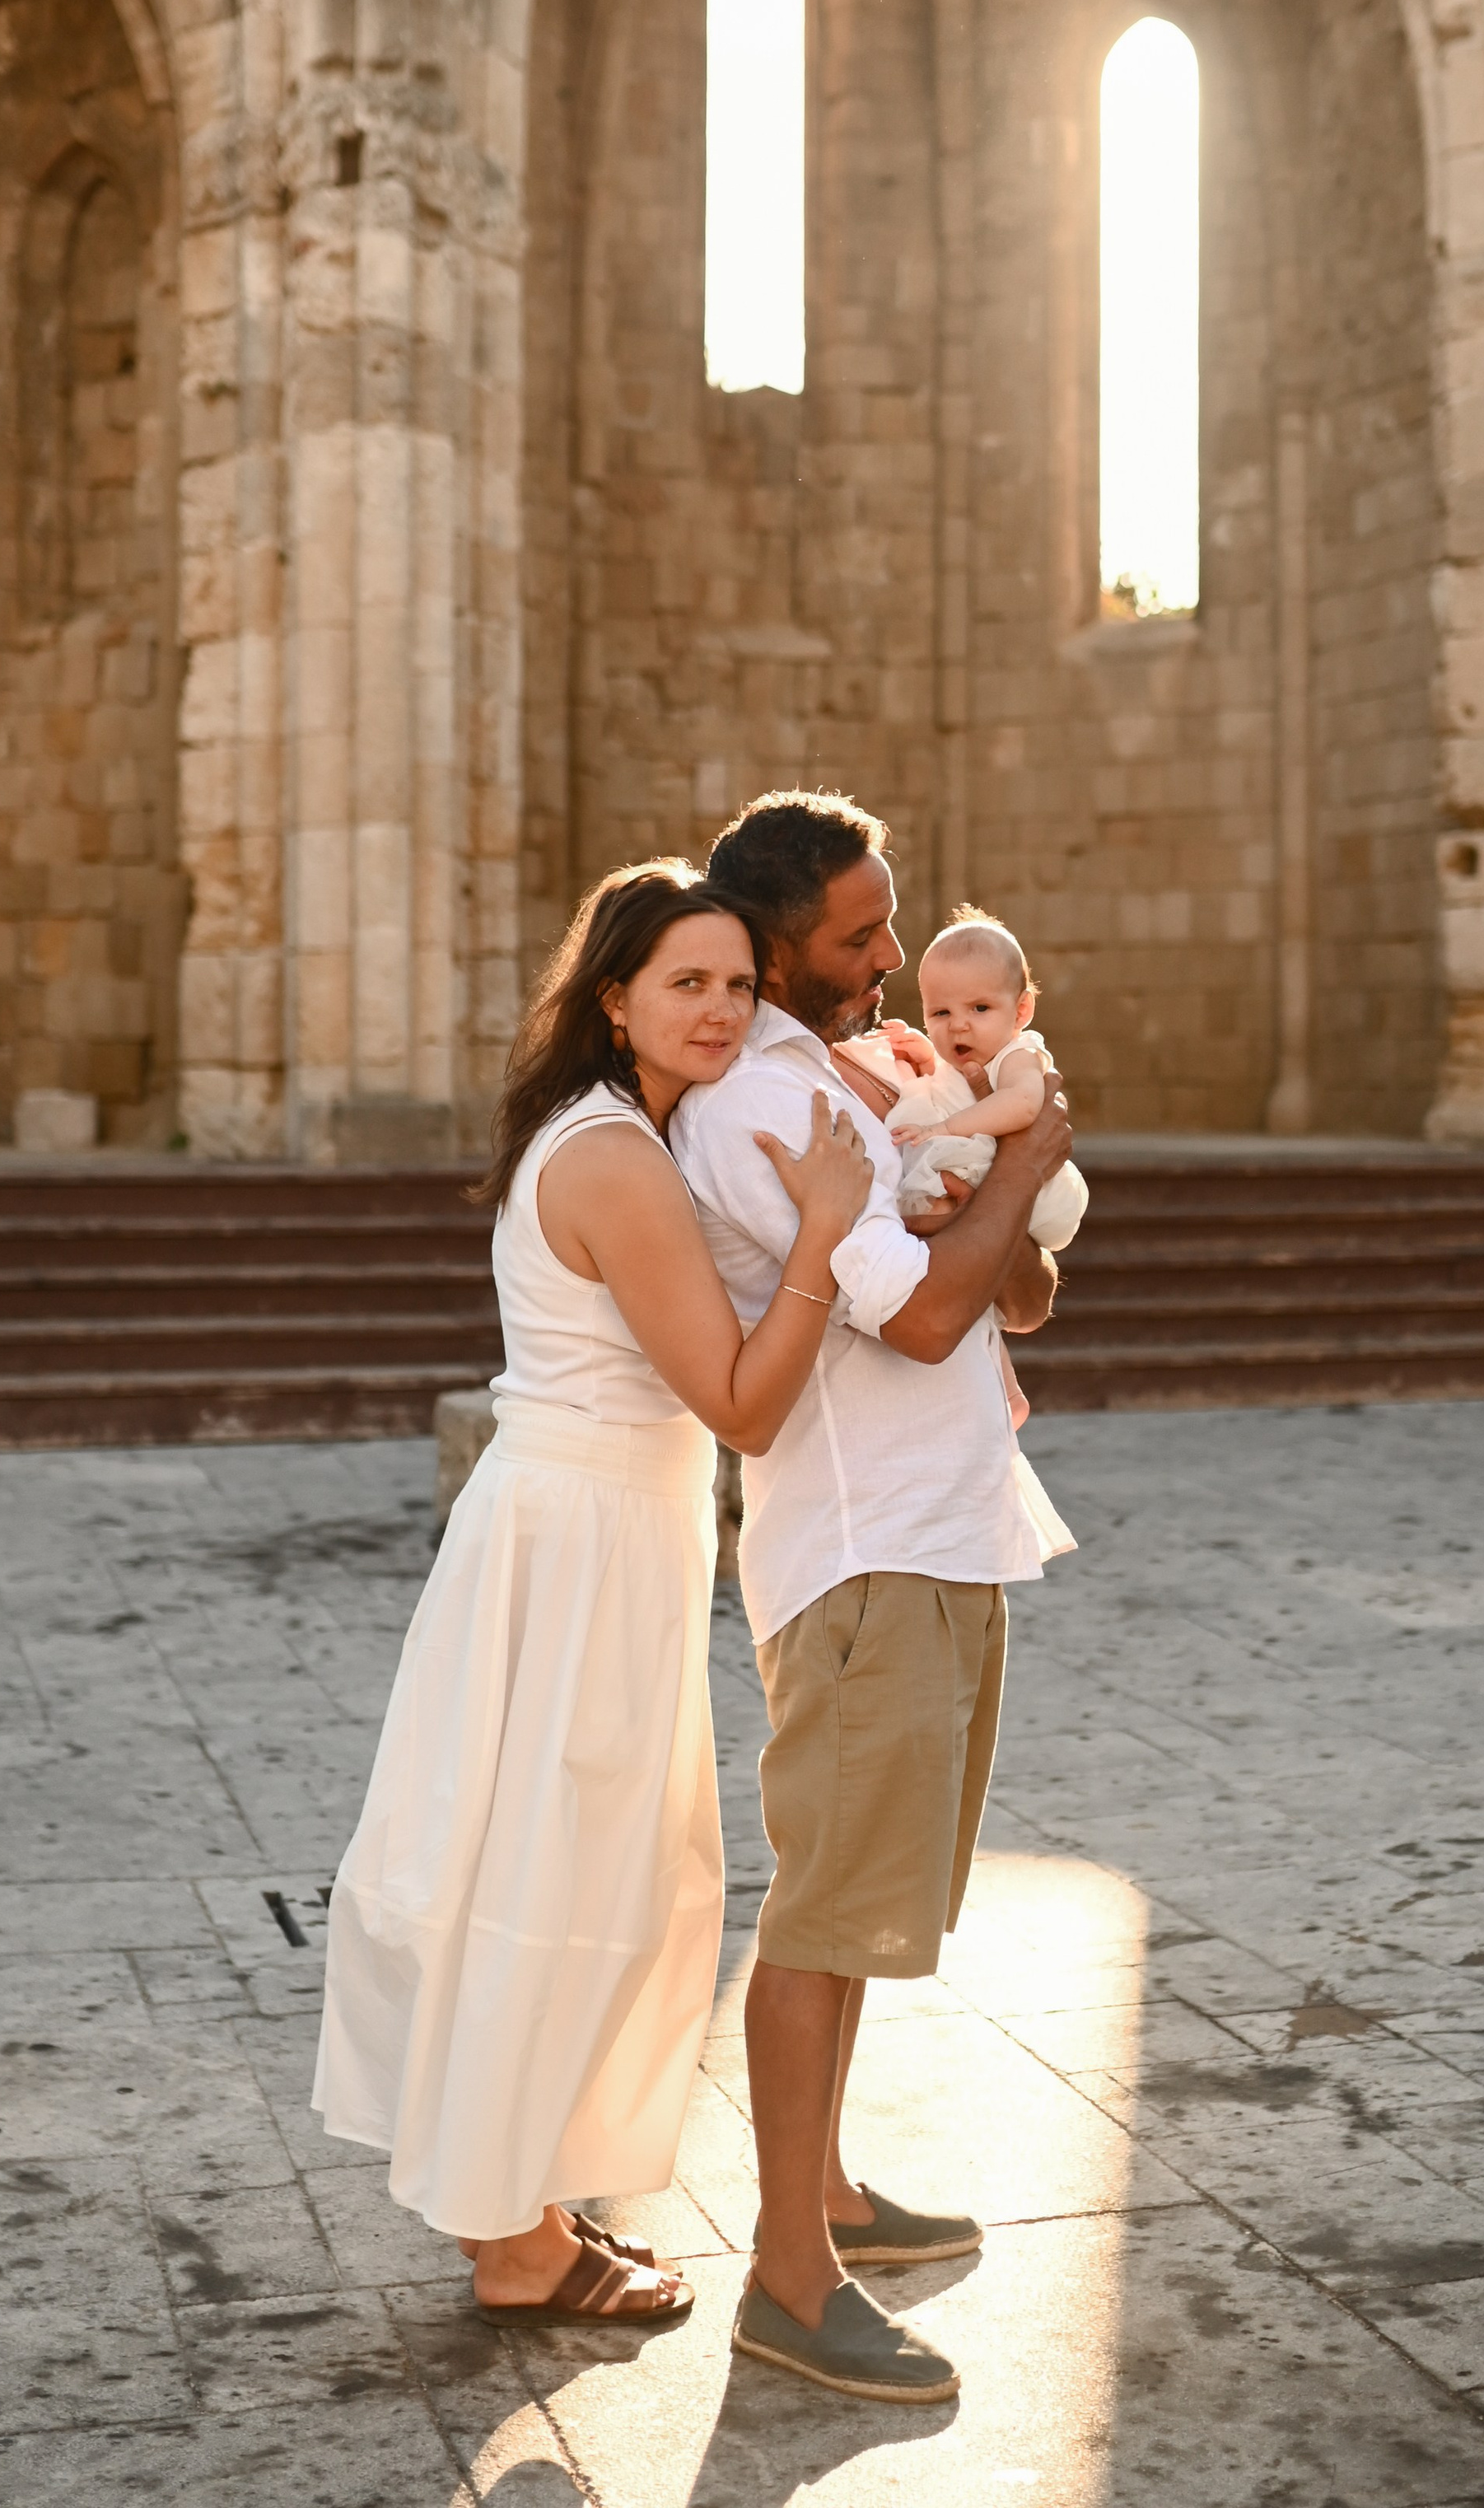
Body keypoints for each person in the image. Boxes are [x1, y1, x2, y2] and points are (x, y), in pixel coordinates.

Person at [312, 862, 874, 2329]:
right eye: (686, 982)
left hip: (594, 1527)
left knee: (561, 1868)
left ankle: (520, 2208)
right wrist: (828, 1220)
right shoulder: (618, 1160)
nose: (721, 1008)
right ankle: (515, 2239)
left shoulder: (618, 1134)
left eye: (740, 985)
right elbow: (744, 1404)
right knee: (562, 1875)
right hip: (580, 1545)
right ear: (613, 999)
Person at [672, 792, 1079, 2406]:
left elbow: (1004, 1294)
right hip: (858, 1553)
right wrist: (1022, 1158)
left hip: (944, 1527)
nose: (893, 957)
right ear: (775, 942)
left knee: (860, 1909)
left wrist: (1016, 1183)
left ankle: (825, 2187)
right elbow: (912, 1325)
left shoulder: (865, 1075)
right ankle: (786, 2276)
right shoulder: (754, 1112)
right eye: (860, 934)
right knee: (822, 1911)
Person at [838, 906, 1089, 1247]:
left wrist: (945, 1128)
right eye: (941, 1012)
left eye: (980, 1008)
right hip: (982, 1185)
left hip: (1043, 1200)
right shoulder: (972, 1054)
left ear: (1021, 1012)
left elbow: (1024, 1103)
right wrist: (929, 1058)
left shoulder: (1018, 1055)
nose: (958, 1025)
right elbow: (955, 1088)